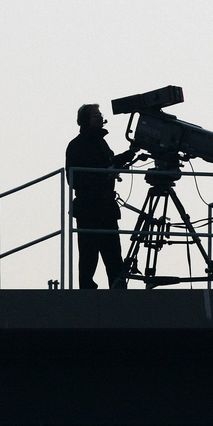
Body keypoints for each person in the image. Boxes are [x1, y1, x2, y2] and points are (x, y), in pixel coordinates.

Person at [66, 104, 136, 289]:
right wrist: (104, 174)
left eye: (99, 114)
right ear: (84, 120)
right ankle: (87, 293)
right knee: (89, 256)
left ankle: (117, 290)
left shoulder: (101, 143)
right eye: (94, 115)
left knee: (113, 255)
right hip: (89, 208)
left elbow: (110, 163)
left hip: (106, 208)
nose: (99, 117)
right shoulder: (76, 146)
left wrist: (130, 154)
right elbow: (74, 178)